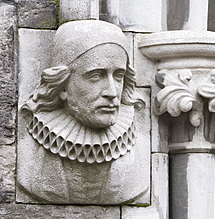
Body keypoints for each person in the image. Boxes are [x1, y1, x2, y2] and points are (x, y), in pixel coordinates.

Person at [17, 20, 143, 204]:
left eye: (118, 76)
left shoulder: (139, 154)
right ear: (62, 85)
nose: (112, 92)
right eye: (95, 76)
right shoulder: (29, 157)